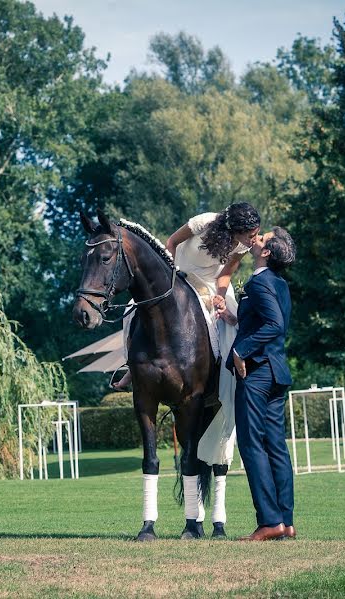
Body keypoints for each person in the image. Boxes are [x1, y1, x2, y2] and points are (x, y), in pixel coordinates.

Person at [113, 202, 260, 532]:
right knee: (131, 311)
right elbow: (171, 242)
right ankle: (129, 365)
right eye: (249, 234)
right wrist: (169, 274)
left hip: (208, 289)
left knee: (231, 326)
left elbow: (225, 275)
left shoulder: (239, 246)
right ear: (233, 228)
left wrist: (221, 296)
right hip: (175, 278)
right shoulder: (203, 223)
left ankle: (224, 372)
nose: (254, 239)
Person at [226, 226, 296, 542]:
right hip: (277, 371)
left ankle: (269, 522)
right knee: (276, 447)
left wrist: (240, 350)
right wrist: (229, 315)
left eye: (263, 238)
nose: (257, 238)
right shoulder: (278, 284)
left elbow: (274, 325)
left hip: (257, 372)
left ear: (266, 252)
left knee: (252, 444)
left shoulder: (260, 282)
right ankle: (285, 522)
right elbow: (259, 321)